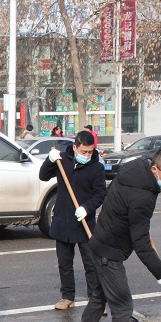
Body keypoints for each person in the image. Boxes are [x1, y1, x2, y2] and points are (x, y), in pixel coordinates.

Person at [74, 147, 161, 322]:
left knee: (100, 295)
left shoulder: (135, 170)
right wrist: (160, 272)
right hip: (109, 252)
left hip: (101, 241)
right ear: (155, 169)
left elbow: (115, 198)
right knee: (123, 306)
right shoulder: (142, 196)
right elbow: (141, 243)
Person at [40, 130, 106, 310]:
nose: (87, 155)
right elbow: (43, 176)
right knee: (64, 263)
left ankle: (95, 299)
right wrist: (49, 160)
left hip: (84, 222)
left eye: (90, 152)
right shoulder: (62, 161)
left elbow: (100, 193)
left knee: (91, 264)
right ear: (75, 147)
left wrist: (87, 208)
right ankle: (67, 296)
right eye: (84, 151)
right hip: (63, 220)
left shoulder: (96, 167)